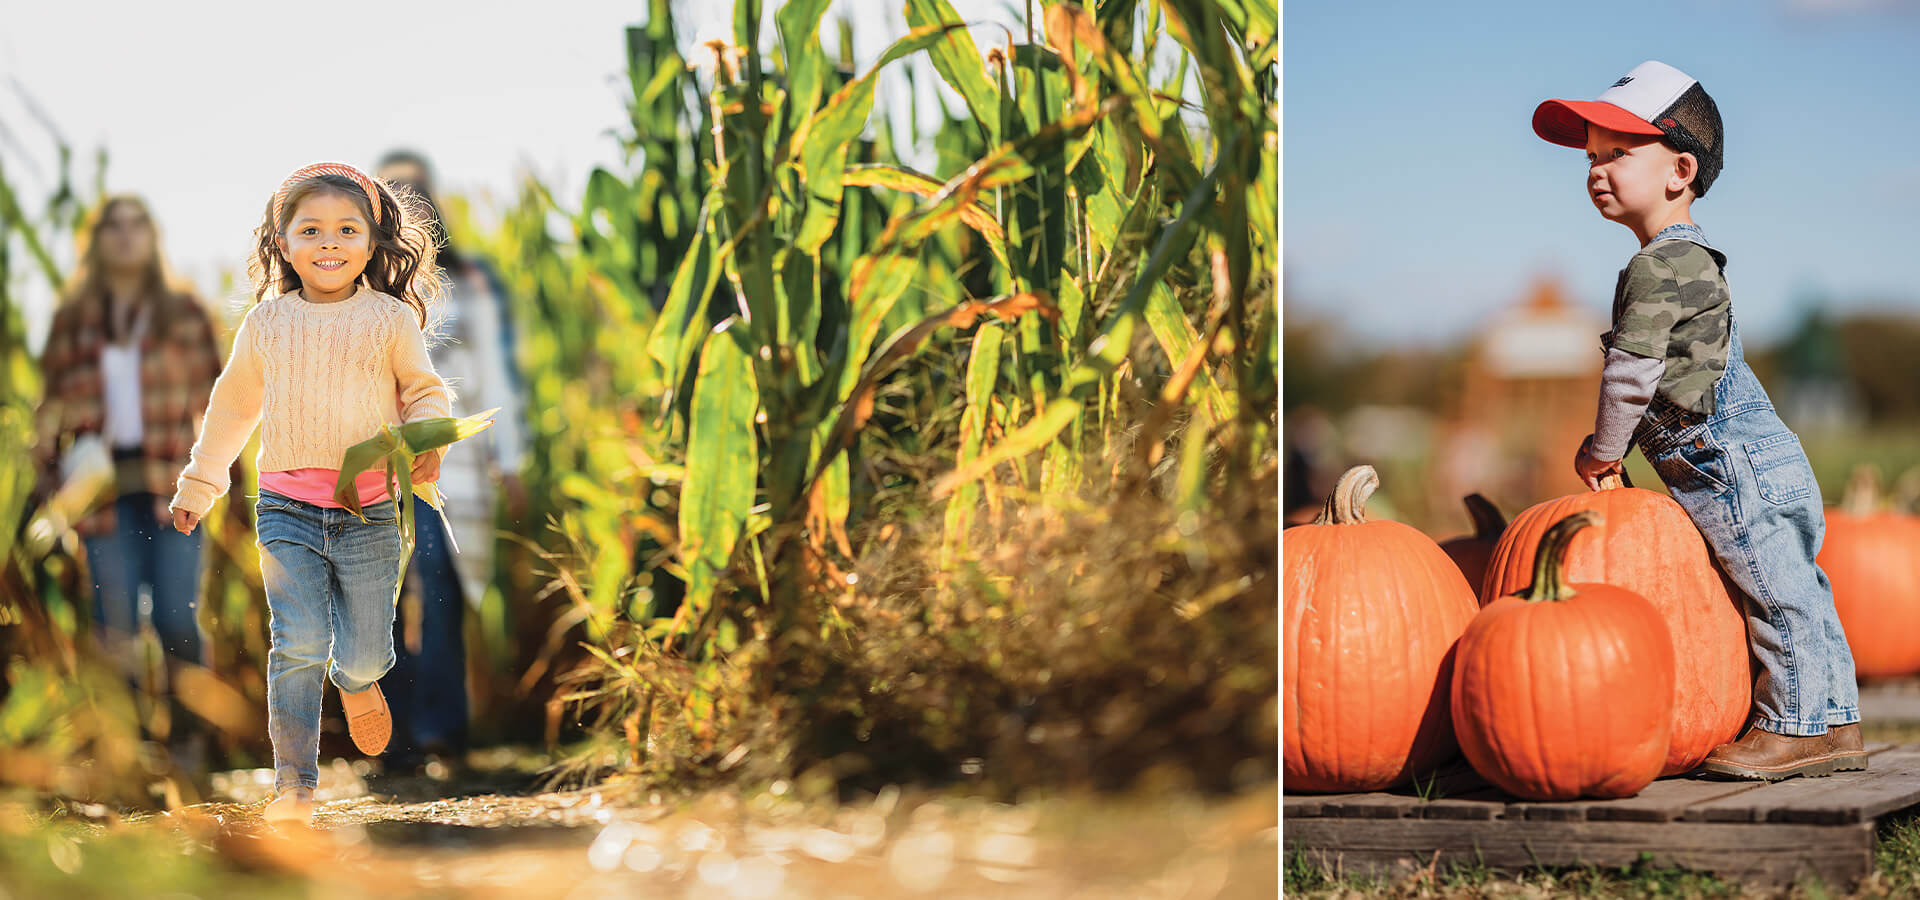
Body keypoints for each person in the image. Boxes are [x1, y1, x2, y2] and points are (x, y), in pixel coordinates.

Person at [1538, 61, 1862, 779]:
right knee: (1796, 586)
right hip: (1754, 454)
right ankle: (1833, 721)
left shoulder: (1662, 267)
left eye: (1617, 153)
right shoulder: (1690, 259)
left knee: (1774, 594)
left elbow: (1632, 371)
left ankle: (1801, 725)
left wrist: (1602, 449)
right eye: (1591, 158)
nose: (1596, 171)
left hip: (1728, 459)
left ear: (1680, 168)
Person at [168, 161, 453, 825]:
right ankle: (293, 786)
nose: (329, 243)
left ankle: (357, 682)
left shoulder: (388, 320)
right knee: (295, 641)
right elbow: (231, 409)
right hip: (286, 507)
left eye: (347, 229)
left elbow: (424, 390)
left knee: (361, 649)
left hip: (370, 509)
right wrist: (202, 483)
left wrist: (427, 437)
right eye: (311, 230)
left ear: (374, 242)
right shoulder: (268, 327)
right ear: (282, 243)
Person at [31, 195, 222, 759]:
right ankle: (130, 754)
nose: (123, 236)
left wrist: (222, 481)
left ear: (153, 236)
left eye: (136, 225)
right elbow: (50, 409)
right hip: (102, 493)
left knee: (177, 616)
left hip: (174, 482)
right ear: (95, 241)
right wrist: (44, 476)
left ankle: (189, 746)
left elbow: (221, 403)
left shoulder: (184, 312)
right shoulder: (72, 322)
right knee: (112, 624)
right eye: (111, 227)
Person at [373, 149, 529, 773]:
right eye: (392, 192)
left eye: (416, 191)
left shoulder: (472, 283)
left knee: (440, 588)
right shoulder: (356, 284)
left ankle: (443, 728)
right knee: (376, 598)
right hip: (373, 468)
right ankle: (394, 739)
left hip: (452, 468)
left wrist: (510, 461)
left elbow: (498, 378)